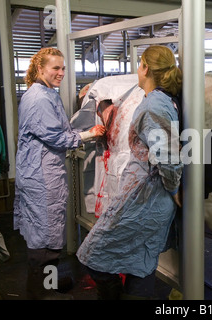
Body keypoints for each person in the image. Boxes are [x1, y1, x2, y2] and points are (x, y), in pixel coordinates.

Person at [76, 45, 183, 300]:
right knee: (141, 263)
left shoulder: (154, 105)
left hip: (146, 199)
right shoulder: (156, 100)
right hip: (145, 195)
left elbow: (169, 158)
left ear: (145, 68)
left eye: (139, 64)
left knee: (94, 254)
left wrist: (174, 189)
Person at [13, 47, 106, 300]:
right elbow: (55, 135)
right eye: (55, 68)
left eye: (63, 68)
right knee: (45, 236)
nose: (61, 73)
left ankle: (48, 284)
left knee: (47, 233)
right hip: (41, 177)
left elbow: (56, 125)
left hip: (41, 172)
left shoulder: (45, 92)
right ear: (40, 68)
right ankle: (41, 293)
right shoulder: (40, 98)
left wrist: (82, 98)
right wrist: (89, 134)